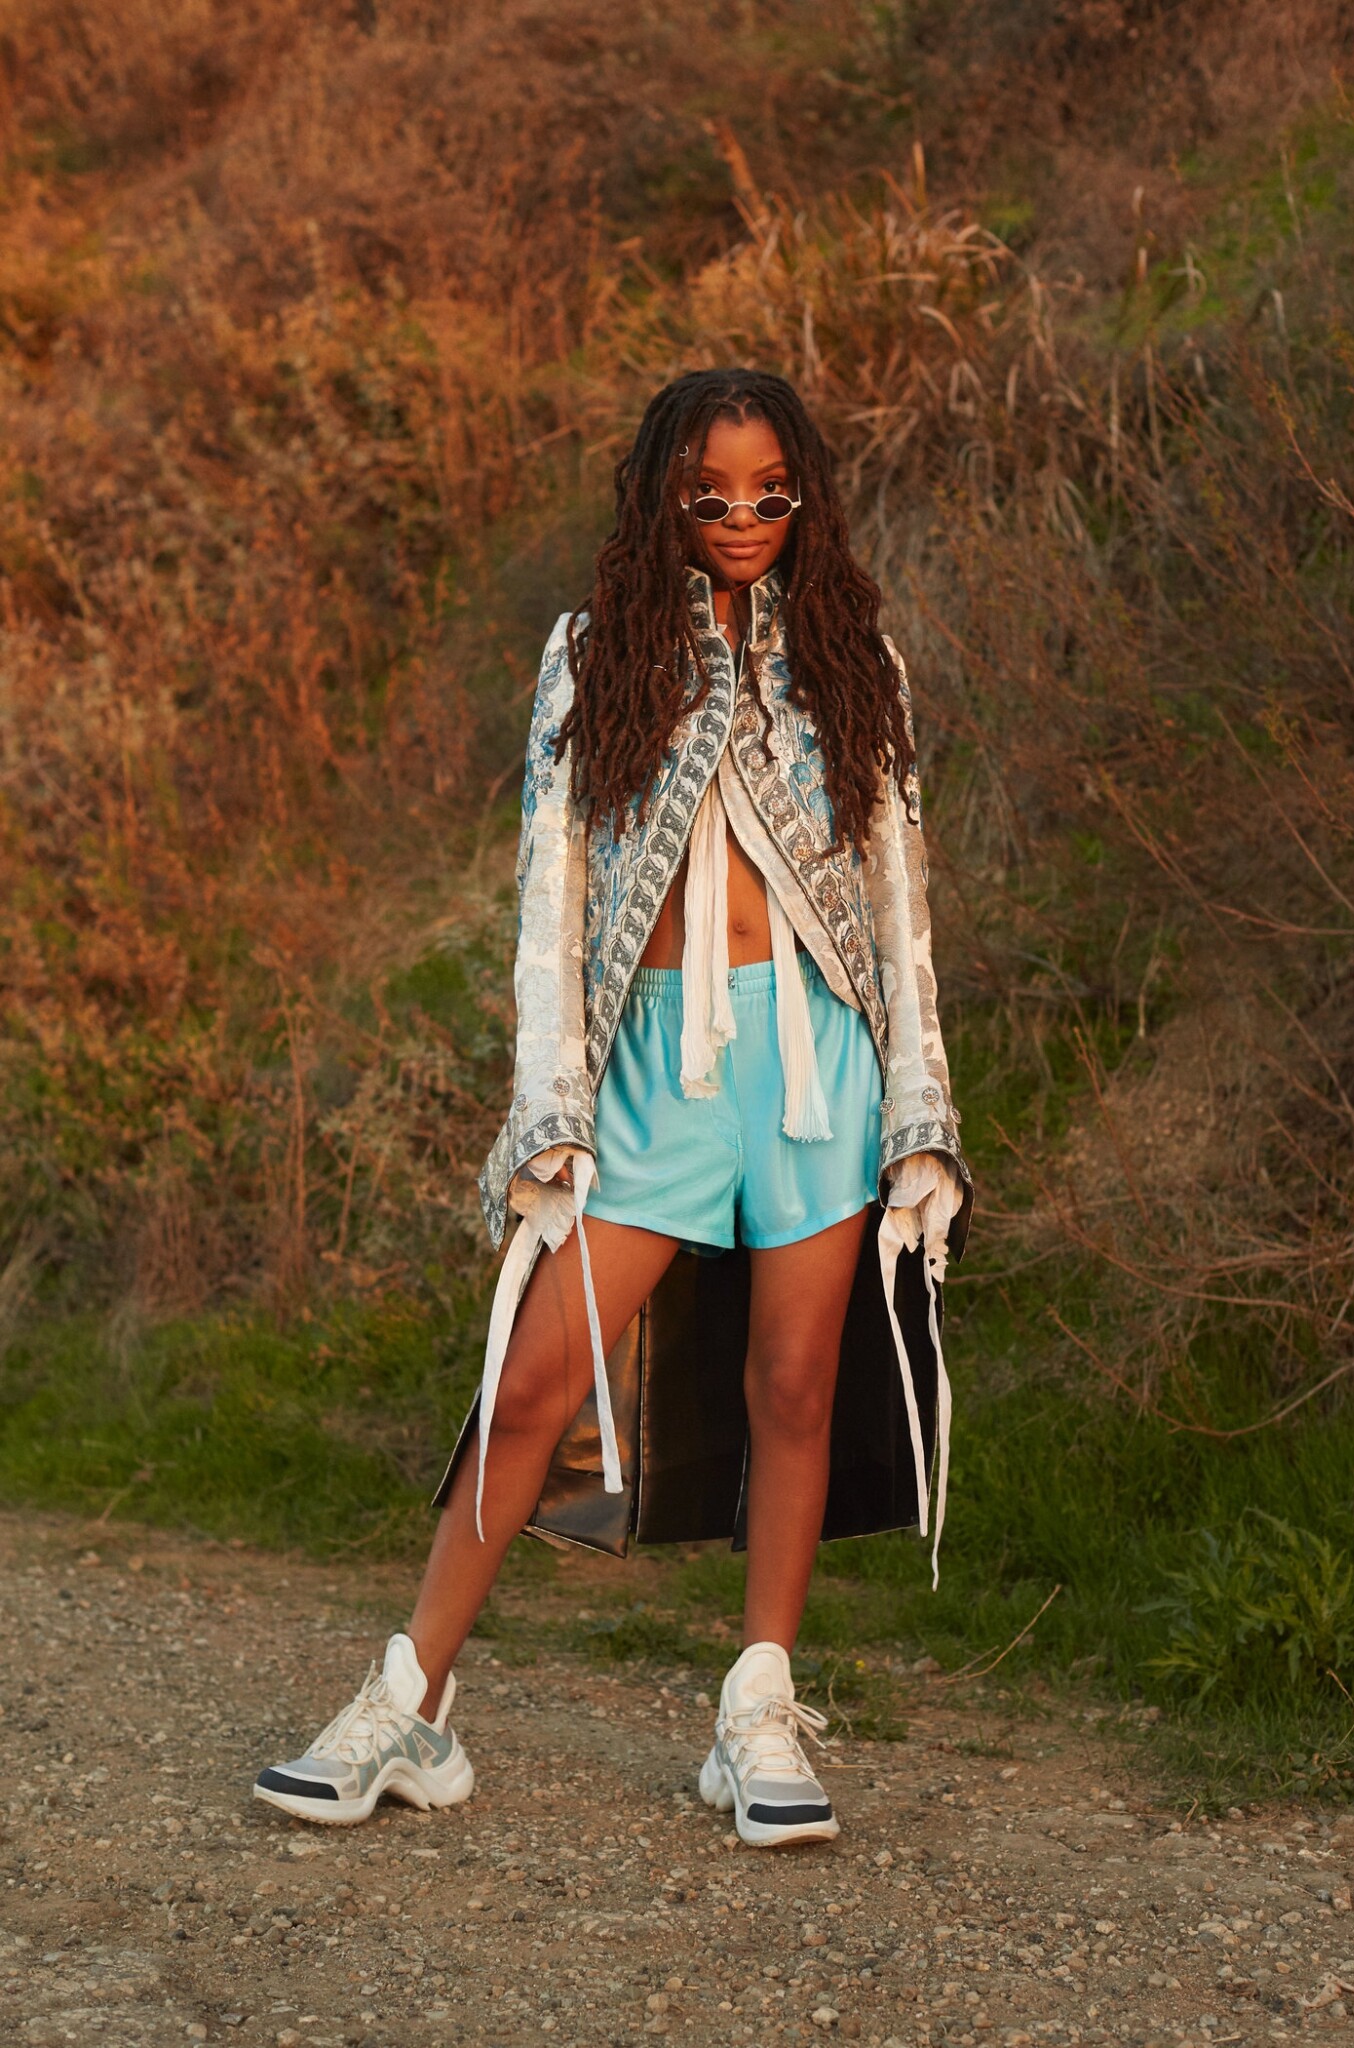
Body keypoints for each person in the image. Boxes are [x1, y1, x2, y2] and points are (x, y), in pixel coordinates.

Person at [253, 368, 970, 1846]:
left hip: (817, 1066)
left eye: (770, 492)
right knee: (529, 1384)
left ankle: (756, 1714)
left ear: (805, 497)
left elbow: (900, 896)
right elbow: (551, 888)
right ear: (661, 498)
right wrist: (551, 1099)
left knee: (793, 1389)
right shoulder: (591, 655)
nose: (743, 517)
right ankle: (407, 1707)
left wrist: (919, 1112)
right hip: (650, 1069)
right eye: (711, 494)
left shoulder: (857, 657)